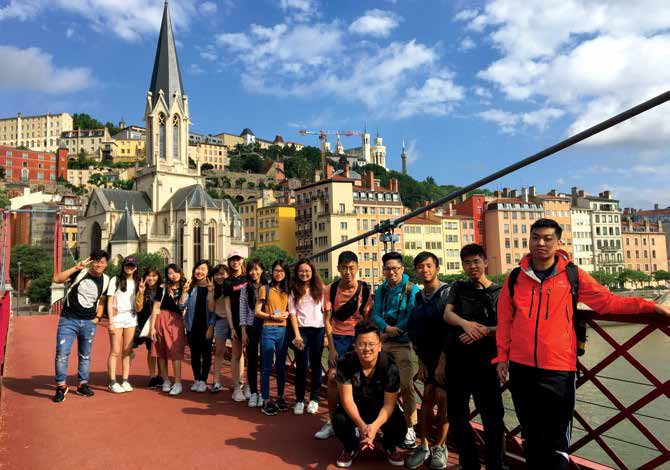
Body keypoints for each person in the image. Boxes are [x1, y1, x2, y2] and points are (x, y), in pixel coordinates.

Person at [495, 219, 670, 469]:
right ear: (530, 240)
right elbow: (505, 320)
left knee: (556, 444)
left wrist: (651, 306)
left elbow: (607, 303)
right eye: (536, 238)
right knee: (531, 436)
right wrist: (502, 357)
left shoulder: (572, 275)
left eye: (547, 238)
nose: (541, 243)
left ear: (558, 242)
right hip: (522, 368)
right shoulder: (515, 278)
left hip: (558, 369)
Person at [444, 244, 507, 470]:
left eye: (476, 262)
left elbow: (508, 326)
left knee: (492, 418)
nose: (472, 267)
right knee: (457, 415)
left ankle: (495, 465)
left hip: (486, 363)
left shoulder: (499, 292)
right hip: (458, 361)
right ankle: (469, 462)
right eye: (467, 263)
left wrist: (483, 331)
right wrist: (466, 325)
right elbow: (448, 314)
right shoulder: (458, 288)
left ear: (485, 262)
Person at [333, 319, 406, 468]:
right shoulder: (345, 363)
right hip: (356, 405)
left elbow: (388, 405)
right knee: (339, 419)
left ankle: (389, 445)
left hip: (380, 407)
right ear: (355, 346)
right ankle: (350, 446)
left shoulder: (389, 366)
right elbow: (347, 400)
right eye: (362, 344)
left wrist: (373, 427)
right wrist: (362, 427)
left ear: (380, 346)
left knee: (400, 424)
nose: (367, 349)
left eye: (371, 344)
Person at [315, 251, 372, 440]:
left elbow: (366, 320)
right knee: (333, 378)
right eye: (344, 268)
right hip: (338, 338)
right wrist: (331, 348)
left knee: (358, 381)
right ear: (338, 268)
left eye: (351, 268)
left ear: (357, 269)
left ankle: (356, 422)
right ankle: (333, 421)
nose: (348, 272)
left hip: (357, 340)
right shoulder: (330, 290)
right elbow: (328, 320)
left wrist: (362, 344)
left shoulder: (364, 290)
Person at [405, 252, 450, 469]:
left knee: (442, 398)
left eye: (429, 266)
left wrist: (443, 361)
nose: (425, 270)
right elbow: (417, 330)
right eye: (420, 267)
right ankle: (423, 445)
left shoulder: (448, 293)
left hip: (447, 356)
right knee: (427, 398)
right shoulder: (419, 296)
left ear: (437, 268)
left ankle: (440, 446)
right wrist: (421, 362)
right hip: (428, 357)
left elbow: (450, 330)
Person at [371, 251, 421, 449]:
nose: (391, 272)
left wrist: (391, 331)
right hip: (383, 341)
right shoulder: (382, 290)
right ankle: (383, 421)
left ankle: (410, 426)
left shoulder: (412, 289)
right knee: (377, 383)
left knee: (407, 385)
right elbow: (375, 313)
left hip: (401, 342)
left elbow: (411, 315)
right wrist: (385, 328)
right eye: (387, 269)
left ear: (402, 269)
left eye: (395, 268)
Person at [52, 250, 110, 403]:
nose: (99, 264)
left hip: (89, 322)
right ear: (92, 262)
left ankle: (82, 384)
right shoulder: (80, 272)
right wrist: (76, 268)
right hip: (68, 319)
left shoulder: (107, 280)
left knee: (85, 355)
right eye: (96, 261)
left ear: (106, 264)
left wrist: (98, 317)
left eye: (102, 262)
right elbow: (57, 279)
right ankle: (61, 386)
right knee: (62, 353)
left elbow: (103, 300)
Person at [288, 259, 326, 415]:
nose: (304, 274)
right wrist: (297, 335)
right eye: (301, 271)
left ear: (312, 272)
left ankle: (314, 399)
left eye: (307, 271)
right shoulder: (293, 290)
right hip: (301, 331)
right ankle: (299, 400)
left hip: (318, 330)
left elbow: (326, 312)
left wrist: (326, 336)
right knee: (302, 366)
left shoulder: (321, 289)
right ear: (297, 273)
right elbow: (292, 313)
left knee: (316, 365)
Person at [255, 259, 291, 416]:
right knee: (267, 365)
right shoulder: (265, 289)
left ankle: (281, 397)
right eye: (276, 270)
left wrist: (287, 314)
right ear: (272, 272)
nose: (279, 274)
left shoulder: (288, 291)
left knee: (282, 366)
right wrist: (270, 316)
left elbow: (291, 310)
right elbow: (257, 311)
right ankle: (266, 399)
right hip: (268, 329)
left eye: (282, 271)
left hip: (283, 330)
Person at [150, 264, 189, 396]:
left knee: (175, 351)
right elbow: (155, 308)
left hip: (176, 321)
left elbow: (182, 306)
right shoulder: (162, 288)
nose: (173, 275)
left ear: (180, 273)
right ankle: (166, 380)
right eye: (170, 273)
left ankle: (177, 382)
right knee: (161, 351)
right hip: (161, 319)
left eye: (176, 272)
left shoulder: (186, 286)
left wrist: (184, 292)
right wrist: (152, 328)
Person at [106, 256, 140, 393]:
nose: (129, 268)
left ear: (136, 267)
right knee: (115, 351)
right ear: (123, 266)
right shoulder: (115, 280)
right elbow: (109, 301)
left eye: (132, 265)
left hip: (131, 317)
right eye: (127, 265)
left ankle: (125, 380)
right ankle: (112, 382)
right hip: (117, 317)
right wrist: (110, 321)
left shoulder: (138, 281)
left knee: (127, 351)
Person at [184, 260, 216, 393]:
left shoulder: (212, 287)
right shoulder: (191, 286)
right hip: (192, 325)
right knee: (195, 353)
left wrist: (211, 326)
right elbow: (182, 306)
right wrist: (184, 291)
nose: (200, 271)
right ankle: (197, 379)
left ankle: (203, 380)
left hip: (206, 326)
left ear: (208, 272)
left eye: (203, 269)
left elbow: (214, 310)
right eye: (198, 268)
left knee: (206, 353)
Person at [239, 259, 267, 407]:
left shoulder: (268, 287)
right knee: (252, 362)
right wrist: (243, 331)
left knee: (265, 361)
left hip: (266, 326)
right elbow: (242, 310)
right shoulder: (245, 288)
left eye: (257, 269)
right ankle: (254, 393)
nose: (254, 273)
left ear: (262, 270)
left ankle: (263, 392)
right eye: (251, 270)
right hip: (251, 326)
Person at [223, 250, 249, 402]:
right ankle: (236, 386)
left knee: (250, 354)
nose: (235, 262)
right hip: (236, 322)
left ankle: (248, 385)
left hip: (250, 321)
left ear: (242, 260)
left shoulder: (248, 277)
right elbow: (227, 307)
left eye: (237, 259)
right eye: (232, 259)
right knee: (237, 354)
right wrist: (232, 327)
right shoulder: (228, 282)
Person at [133, 268, 163, 388]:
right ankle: (152, 376)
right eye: (149, 276)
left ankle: (161, 376)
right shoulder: (141, 289)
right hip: (146, 323)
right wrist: (140, 292)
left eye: (154, 276)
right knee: (151, 350)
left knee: (160, 350)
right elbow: (138, 308)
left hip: (160, 323)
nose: (151, 278)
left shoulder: (162, 289)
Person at [210, 264, 229, 393]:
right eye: (216, 274)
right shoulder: (214, 289)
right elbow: (211, 308)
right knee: (218, 352)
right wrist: (211, 292)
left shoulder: (232, 287)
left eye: (222, 273)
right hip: (221, 321)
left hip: (234, 322)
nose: (219, 276)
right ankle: (216, 380)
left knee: (239, 353)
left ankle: (239, 381)